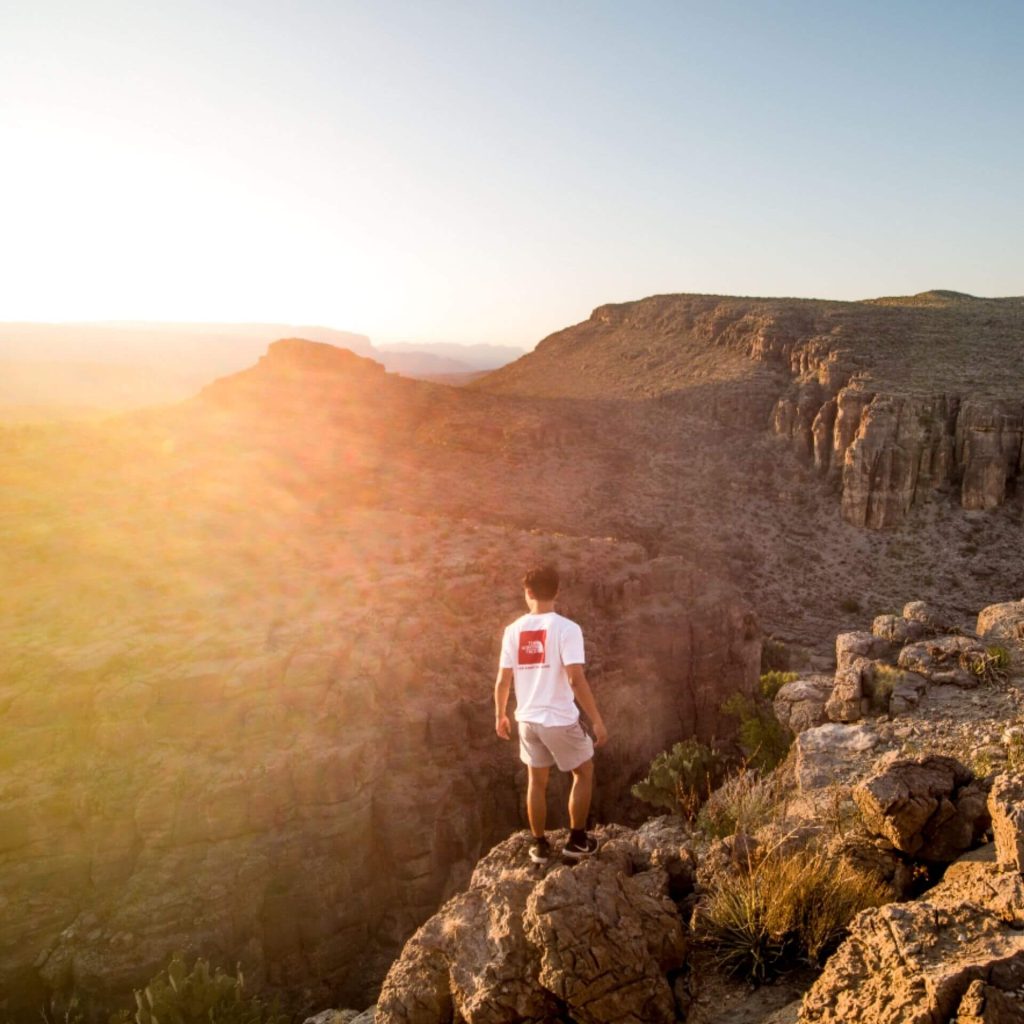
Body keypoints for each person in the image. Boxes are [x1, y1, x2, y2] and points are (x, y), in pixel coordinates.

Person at [494, 564, 608, 864]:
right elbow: (575, 678)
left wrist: (500, 715)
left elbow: (503, 680)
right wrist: (596, 719)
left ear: (527, 593)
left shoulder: (513, 631)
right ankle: (577, 841)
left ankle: (540, 846)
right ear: (557, 591)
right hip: (558, 718)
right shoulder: (567, 629)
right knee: (583, 771)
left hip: (527, 720)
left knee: (536, 780)